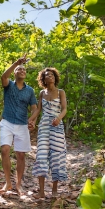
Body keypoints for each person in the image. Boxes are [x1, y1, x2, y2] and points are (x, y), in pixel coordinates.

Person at [0, 54, 37, 195]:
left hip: (22, 124)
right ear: (14, 72)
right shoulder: (9, 85)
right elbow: (3, 77)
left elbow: (34, 108)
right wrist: (16, 63)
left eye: (23, 70)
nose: (22, 71)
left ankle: (18, 184)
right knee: (5, 150)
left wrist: (32, 119)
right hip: (7, 121)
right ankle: (8, 183)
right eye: (19, 69)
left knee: (21, 155)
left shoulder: (30, 91)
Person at [29, 67, 68, 198]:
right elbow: (38, 109)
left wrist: (58, 118)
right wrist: (30, 120)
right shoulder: (42, 93)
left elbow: (64, 109)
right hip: (44, 126)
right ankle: (41, 192)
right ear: (43, 79)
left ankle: (55, 190)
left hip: (57, 125)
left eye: (51, 75)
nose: (49, 76)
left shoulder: (60, 92)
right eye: (46, 75)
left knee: (56, 156)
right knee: (41, 155)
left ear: (55, 77)